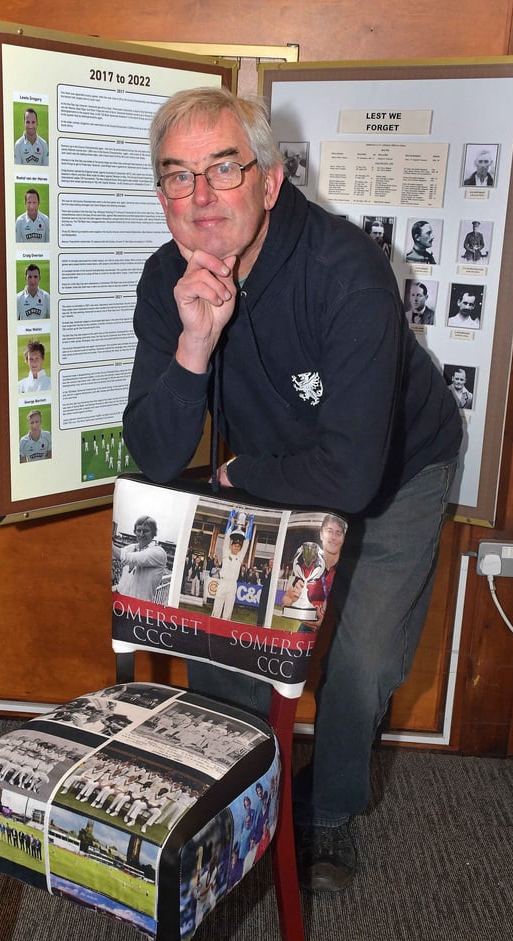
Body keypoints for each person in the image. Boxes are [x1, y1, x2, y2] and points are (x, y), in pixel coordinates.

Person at [122, 88, 462, 893]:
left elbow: (350, 472)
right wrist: (193, 349)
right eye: (177, 176)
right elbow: (157, 451)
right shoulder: (166, 279)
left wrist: (238, 475)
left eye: (223, 169)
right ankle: (241, 802)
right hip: (278, 464)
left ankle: (329, 814)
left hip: (395, 465)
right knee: (228, 639)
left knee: (361, 663)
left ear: (270, 181)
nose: (200, 199)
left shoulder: (346, 272)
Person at [211, 509, 253, 620]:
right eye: (235, 546)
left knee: (228, 610)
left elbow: (247, 542)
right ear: (232, 546)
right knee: (217, 608)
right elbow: (226, 537)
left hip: (232, 585)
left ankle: (225, 627)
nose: (237, 548)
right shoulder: (226, 552)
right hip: (223, 582)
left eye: (238, 547)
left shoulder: (240, 556)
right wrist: (231, 521)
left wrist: (250, 525)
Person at [114, 516, 167, 602]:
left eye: (146, 531)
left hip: (139, 605)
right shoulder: (131, 547)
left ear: (153, 533)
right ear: (135, 532)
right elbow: (117, 555)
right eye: (139, 530)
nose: (141, 534)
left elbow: (126, 557)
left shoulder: (158, 552)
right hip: (120, 598)